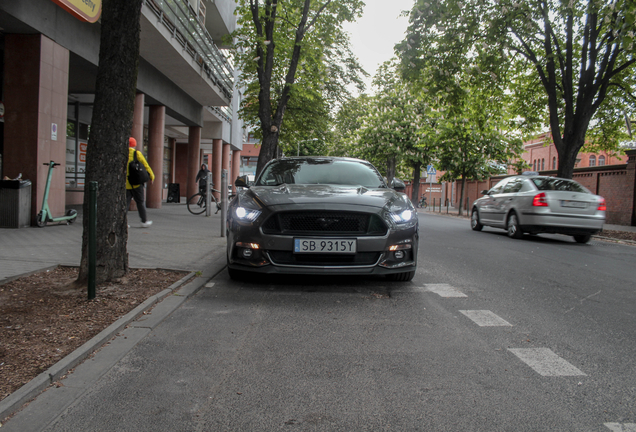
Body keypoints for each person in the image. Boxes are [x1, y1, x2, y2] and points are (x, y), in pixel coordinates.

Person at [126, 137, 155, 228]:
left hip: (126, 183)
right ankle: (144, 221)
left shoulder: (123, 154)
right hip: (136, 183)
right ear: (134, 145)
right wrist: (151, 176)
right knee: (140, 202)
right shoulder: (136, 153)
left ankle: (123, 223)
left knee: (125, 204)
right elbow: (146, 165)